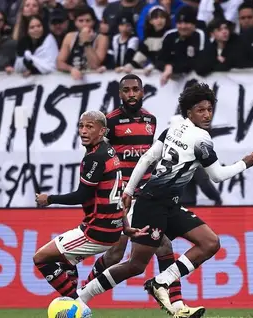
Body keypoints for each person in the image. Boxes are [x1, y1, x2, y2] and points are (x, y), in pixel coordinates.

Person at [74, 83, 253, 318]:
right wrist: (244, 163)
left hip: (167, 203)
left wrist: (130, 191)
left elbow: (148, 156)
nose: (206, 115)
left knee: (210, 242)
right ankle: (82, 297)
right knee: (134, 265)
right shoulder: (202, 138)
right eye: (200, 110)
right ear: (189, 111)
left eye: (210, 110)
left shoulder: (175, 128)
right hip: (152, 205)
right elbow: (217, 176)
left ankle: (162, 283)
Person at [82, 74, 203, 314]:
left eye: (135, 89)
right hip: (122, 196)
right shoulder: (111, 122)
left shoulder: (150, 120)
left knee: (164, 246)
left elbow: (151, 156)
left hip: (147, 195)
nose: (131, 94)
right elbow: (98, 155)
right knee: (117, 253)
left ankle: (177, 305)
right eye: (126, 90)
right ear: (120, 94)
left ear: (143, 91)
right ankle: (81, 295)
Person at [33, 110, 147, 306]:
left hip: (96, 231)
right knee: (65, 262)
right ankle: (75, 301)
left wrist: (49, 199)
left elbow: (81, 195)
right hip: (113, 227)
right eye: (81, 126)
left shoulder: (95, 158)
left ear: (102, 131)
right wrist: (125, 226)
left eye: (89, 127)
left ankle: (77, 303)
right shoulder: (109, 151)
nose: (83, 131)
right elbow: (119, 194)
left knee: (41, 258)